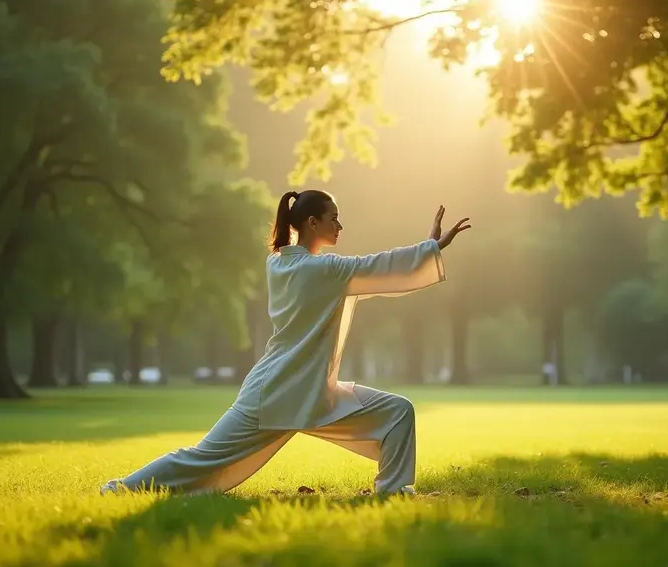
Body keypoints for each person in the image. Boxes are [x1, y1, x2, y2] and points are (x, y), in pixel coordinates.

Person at [100, 189, 471, 497]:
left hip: (307, 392)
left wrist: (427, 249)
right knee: (203, 458)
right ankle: (120, 489)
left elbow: (361, 275)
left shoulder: (279, 264)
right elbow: (380, 265)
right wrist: (432, 246)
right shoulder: (324, 270)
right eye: (334, 218)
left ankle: (392, 492)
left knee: (397, 412)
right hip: (277, 394)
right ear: (312, 223)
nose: (340, 225)